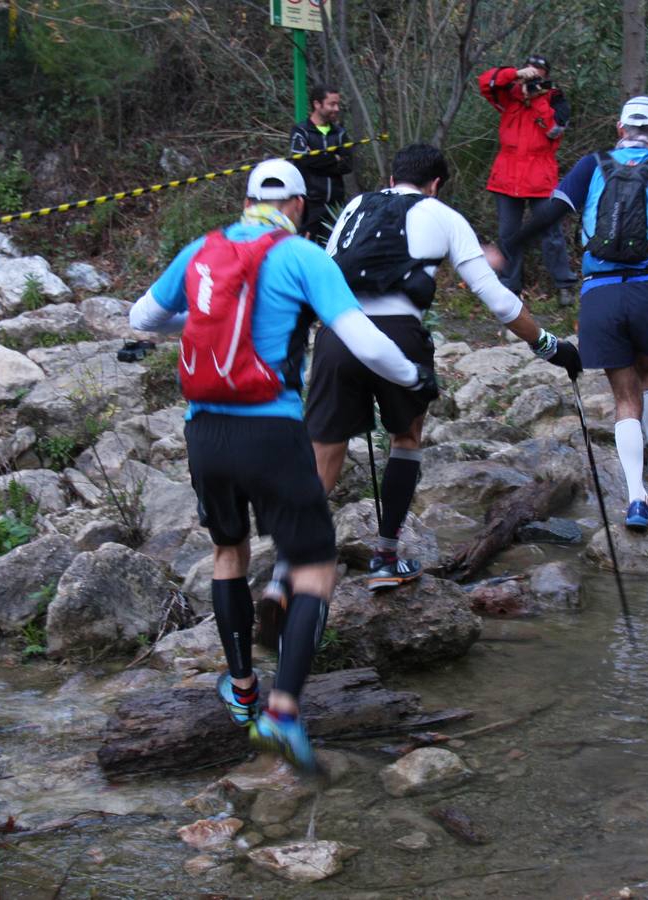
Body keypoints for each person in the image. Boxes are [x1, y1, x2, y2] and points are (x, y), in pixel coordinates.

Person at [128, 159, 436, 772]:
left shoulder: (200, 250)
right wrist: (412, 375)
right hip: (269, 429)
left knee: (228, 552)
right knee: (316, 564)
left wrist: (201, 323)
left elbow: (143, 319)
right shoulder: (302, 256)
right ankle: (284, 710)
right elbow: (366, 340)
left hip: (203, 431)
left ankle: (241, 689)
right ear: (299, 205)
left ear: (246, 201)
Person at [303, 142, 581, 591]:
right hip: (400, 337)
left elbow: (326, 274)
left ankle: (292, 567)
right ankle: (385, 557)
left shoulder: (354, 205)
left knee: (325, 449)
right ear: (435, 185)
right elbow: (497, 300)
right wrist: (551, 347)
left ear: (391, 179)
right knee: (405, 439)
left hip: (337, 336)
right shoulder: (445, 217)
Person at [504, 96, 648, 531]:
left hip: (600, 292)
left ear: (620, 129)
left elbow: (548, 215)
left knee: (624, 396)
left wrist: (506, 247)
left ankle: (636, 500)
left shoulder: (591, 166)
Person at [478, 53, 579, 306]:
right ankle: (509, 287)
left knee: (551, 232)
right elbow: (485, 82)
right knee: (508, 233)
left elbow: (555, 130)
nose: (533, 79)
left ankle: (564, 285)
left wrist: (537, 100)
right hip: (506, 175)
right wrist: (515, 75)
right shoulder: (509, 96)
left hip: (540, 175)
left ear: (547, 77)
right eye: (530, 72)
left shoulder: (556, 99)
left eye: (538, 74)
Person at [290, 84, 353, 245]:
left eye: (337, 104)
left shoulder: (340, 133)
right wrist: (334, 158)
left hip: (335, 205)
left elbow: (348, 164)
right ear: (317, 104)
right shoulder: (301, 131)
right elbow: (303, 160)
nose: (337, 108)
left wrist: (318, 157)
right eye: (332, 104)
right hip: (310, 204)